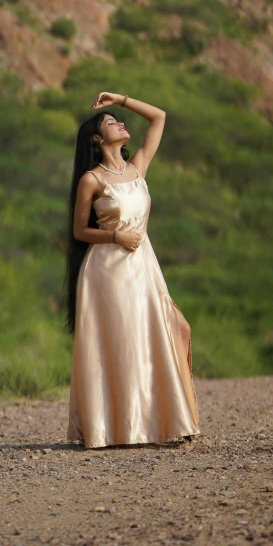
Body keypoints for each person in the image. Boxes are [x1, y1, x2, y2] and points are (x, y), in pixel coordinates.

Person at [64, 91, 200, 450]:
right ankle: (118, 430)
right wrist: (114, 235)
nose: (120, 124)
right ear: (97, 138)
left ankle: (161, 422)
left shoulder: (137, 166)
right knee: (122, 344)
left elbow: (159, 117)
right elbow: (79, 231)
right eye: (111, 123)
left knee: (168, 331)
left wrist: (120, 99)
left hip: (143, 265)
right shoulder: (91, 180)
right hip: (107, 270)